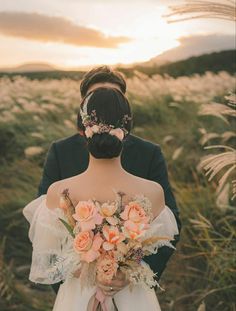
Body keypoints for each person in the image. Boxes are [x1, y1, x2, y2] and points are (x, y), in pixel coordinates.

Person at [23, 88, 179, 310]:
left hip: (76, 297)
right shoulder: (153, 192)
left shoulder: (58, 192)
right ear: (127, 131)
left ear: (82, 129)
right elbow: (158, 247)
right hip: (133, 296)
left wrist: (89, 270)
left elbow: (48, 258)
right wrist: (124, 270)